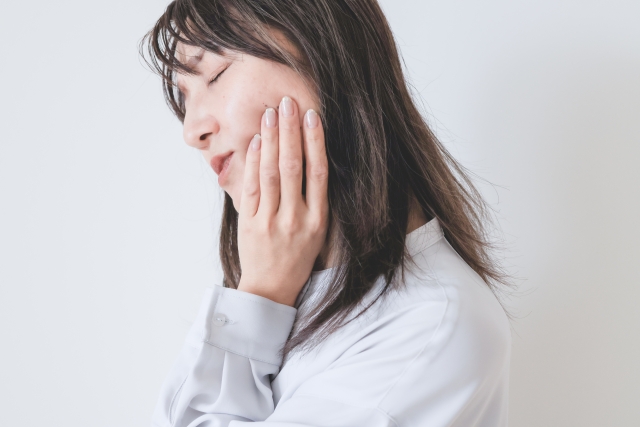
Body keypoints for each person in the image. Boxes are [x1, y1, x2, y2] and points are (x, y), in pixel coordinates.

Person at [140, 0, 512, 426]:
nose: (192, 131)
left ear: (321, 47)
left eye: (214, 73)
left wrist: (258, 299)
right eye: (184, 97)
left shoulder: (430, 326)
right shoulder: (291, 288)